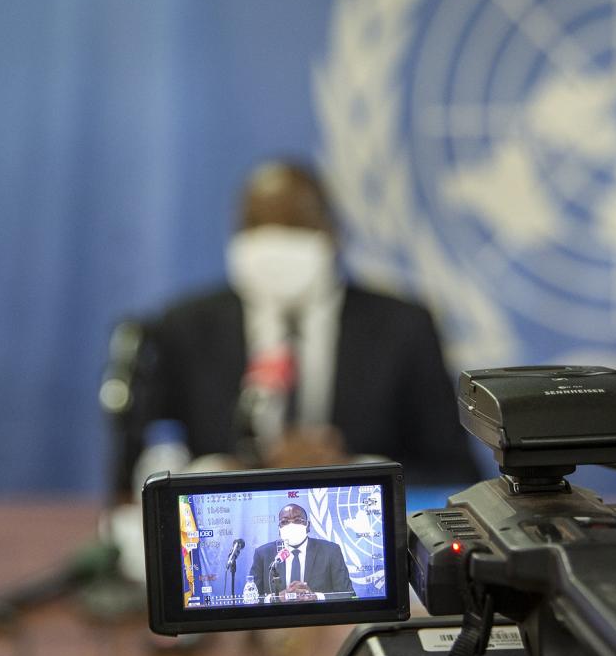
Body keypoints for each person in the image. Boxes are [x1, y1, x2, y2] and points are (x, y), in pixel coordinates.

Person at [140, 158, 479, 485]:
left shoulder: (403, 328)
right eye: (256, 225)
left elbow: (454, 471)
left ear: (334, 233)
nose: (274, 243)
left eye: (294, 225)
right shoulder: (186, 328)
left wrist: (353, 472)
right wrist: (218, 474)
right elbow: (146, 467)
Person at [247, 503, 354, 601]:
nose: (291, 526)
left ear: (308, 526)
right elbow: (251, 598)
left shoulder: (330, 551)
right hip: (278, 615)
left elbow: (348, 594)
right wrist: (276, 598)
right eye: (284, 522)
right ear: (279, 529)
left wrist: (316, 597)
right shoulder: (263, 553)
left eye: (298, 520)